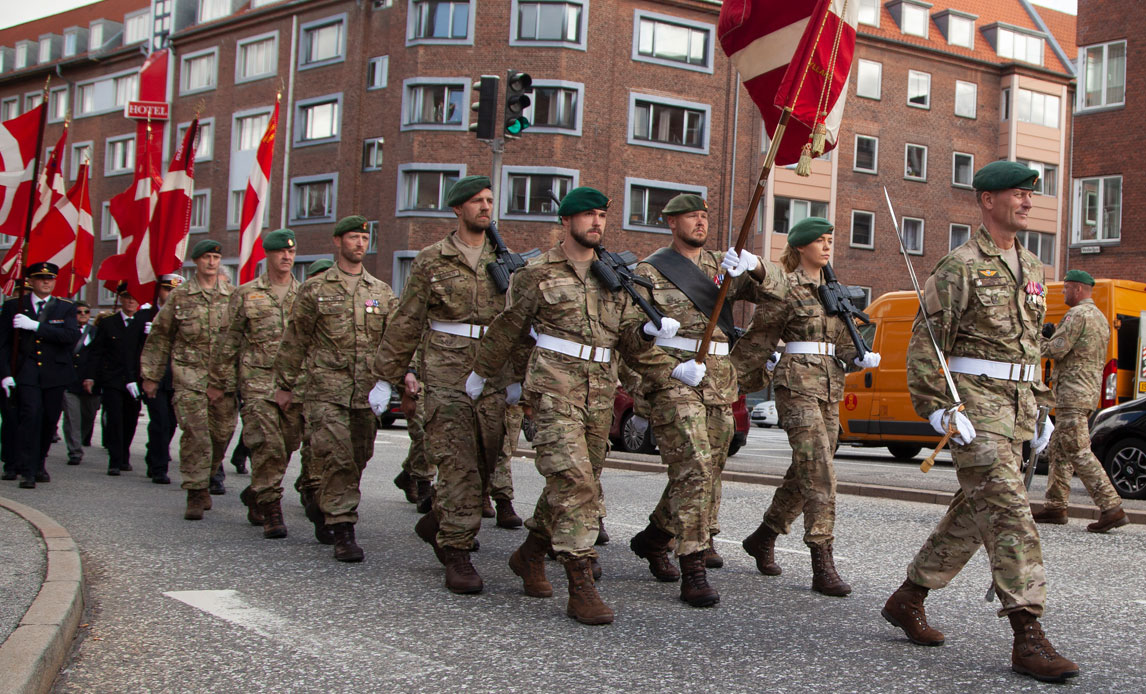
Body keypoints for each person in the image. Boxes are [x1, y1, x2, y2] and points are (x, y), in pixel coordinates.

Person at [881, 161, 1078, 683]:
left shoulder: (1034, 269)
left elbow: (1029, 347)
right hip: (974, 408)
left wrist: (1038, 408)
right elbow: (926, 344)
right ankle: (1028, 635)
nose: (1028, 203)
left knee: (974, 514)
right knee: (1011, 512)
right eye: (1018, 194)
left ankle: (909, 597)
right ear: (987, 200)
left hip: (1016, 408)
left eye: (1030, 196)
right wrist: (937, 406)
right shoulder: (960, 266)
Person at [469, 186, 680, 625]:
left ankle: (529, 554)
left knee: (573, 483)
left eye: (601, 215)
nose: (596, 223)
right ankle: (580, 581)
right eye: (587, 215)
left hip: (600, 393)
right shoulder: (537, 273)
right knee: (574, 481)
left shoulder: (614, 277)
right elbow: (508, 328)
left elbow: (626, 341)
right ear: (565, 222)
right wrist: (482, 374)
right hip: (553, 389)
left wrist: (657, 349)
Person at [372, 175, 524, 594]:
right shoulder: (432, 259)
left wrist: (519, 376)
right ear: (457, 209)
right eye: (476, 201)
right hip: (446, 372)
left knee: (488, 460)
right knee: (457, 461)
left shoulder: (506, 260)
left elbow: (520, 323)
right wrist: (387, 377)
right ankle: (456, 550)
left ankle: (437, 520)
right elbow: (407, 320)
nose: (485, 207)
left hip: (492, 374)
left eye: (490, 200)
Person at [625, 193, 778, 607]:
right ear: (670, 222)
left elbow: (777, 295)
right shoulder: (649, 271)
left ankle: (655, 537)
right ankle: (691, 563)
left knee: (707, 469)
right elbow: (626, 335)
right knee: (693, 464)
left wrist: (757, 267)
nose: (700, 222)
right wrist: (667, 366)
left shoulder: (719, 266)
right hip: (675, 375)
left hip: (719, 378)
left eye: (704, 216)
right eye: (690, 216)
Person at [731, 218, 877, 597]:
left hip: (830, 386)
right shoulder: (786, 286)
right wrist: (731, 375)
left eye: (830, 239)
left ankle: (763, 536)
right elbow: (760, 333)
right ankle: (821, 559)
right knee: (820, 470)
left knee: (806, 469)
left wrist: (859, 355)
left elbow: (844, 339)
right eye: (819, 240)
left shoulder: (834, 290)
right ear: (799, 247)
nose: (827, 246)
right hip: (796, 384)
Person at [275, 216, 396, 562]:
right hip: (326, 390)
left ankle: (322, 502)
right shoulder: (315, 289)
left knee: (358, 457)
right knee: (338, 457)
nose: (359, 243)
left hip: (364, 394)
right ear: (337, 242)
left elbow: (394, 340)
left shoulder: (380, 291)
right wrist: (284, 385)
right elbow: (295, 339)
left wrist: (401, 376)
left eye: (363, 237)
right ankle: (344, 529)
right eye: (353, 237)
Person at [209, 229, 302, 539]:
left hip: (293, 385)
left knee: (287, 445)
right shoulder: (246, 293)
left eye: (290, 252)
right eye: (280, 252)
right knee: (267, 445)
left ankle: (257, 492)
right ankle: (272, 511)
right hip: (258, 382)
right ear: (268, 255)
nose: (287, 257)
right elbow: (229, 340)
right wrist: (219, 382)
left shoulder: (304, 295)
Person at [140, 240, 238, 519]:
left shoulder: (233, 296)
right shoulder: (180, 296)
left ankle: (206, 477)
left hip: (223, 379)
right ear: (196, 261)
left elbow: (243, 337)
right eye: (206, 257)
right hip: (189, 375)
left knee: (221, 434)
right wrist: (151, 376)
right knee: (196, 434)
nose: (211, 262)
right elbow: (160, 337)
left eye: (216, 257)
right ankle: (195, 492)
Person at [1034, 269, 1128, 532]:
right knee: (1060, 450)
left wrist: (1035, 340)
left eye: (1065, 289)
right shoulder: (1098, 317)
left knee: (1077, 449)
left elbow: (1057, 349)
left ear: (1076, 289)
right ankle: (1055, 506)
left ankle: (1111, 507)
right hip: (1085, 392)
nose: (1063, 293)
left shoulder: (1076, 315)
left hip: (1071, 394)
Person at [0, 262, 81, 488]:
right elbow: (3, 345)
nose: (46, 282)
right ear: (31, 282)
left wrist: (36, 326)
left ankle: (39, 463)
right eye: (41, 278)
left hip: (55, 372)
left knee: (48, 420)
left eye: (50, 279)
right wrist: (5, 375)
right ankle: (26, 469)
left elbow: (70, 336)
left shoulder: (64, 307)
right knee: (30, 416)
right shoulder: (14, 306)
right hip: (26, 371)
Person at [85, 284, 145, 476]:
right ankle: (115, 458)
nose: (131, 302)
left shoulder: (143, 323)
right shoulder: (109, 323)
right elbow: (97, 352)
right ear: (120, 299)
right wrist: (90, 376)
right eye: (127, 297)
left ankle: (124, 453)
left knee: (130, 419)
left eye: (134, 298)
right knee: (114, 419)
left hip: (135, 380)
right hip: (113, 378)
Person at [138, 274, 182, 484]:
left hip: (177, 378)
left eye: (175, 291)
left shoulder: (184, 317)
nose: (171, 294)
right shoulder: (145, 315)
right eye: (167, 290)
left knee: (171, 423)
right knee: (160, 422)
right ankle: (159, 467)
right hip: (155, 377)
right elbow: (133, 351)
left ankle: (154, 452)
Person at [62, 300, 99, 466]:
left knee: (88, 416)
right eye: (79, 312)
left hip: (91, 382)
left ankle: (80, 439)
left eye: (86, 311)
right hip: (71, 380)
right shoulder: (67, 331)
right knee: (72, 418)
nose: (83, 314)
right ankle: (75, 450)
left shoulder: (96, 332)